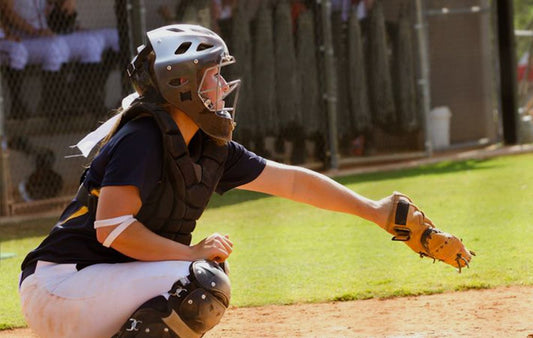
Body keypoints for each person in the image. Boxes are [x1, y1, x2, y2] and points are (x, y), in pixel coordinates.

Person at [18, 24, 470, 338]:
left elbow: (292, 183)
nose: (221, 86)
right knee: (200, 280)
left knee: (202, 274)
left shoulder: (204, 145)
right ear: (181, 84)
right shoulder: (143, 137)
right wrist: (190, 252)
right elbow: (112, 229)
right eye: (212, 75)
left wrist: (373, 211)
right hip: (61, 287)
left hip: (91, 288)